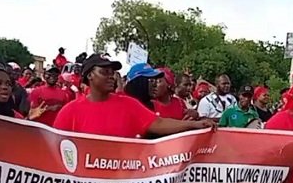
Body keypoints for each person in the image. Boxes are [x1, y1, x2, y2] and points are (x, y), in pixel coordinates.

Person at [54, 54, 214, 138]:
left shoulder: (128, 105)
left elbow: (158, 124)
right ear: (89, 76)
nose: (111, 76)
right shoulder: (70, 112)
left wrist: (195, 126)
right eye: (104, 72)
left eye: (112, 72)